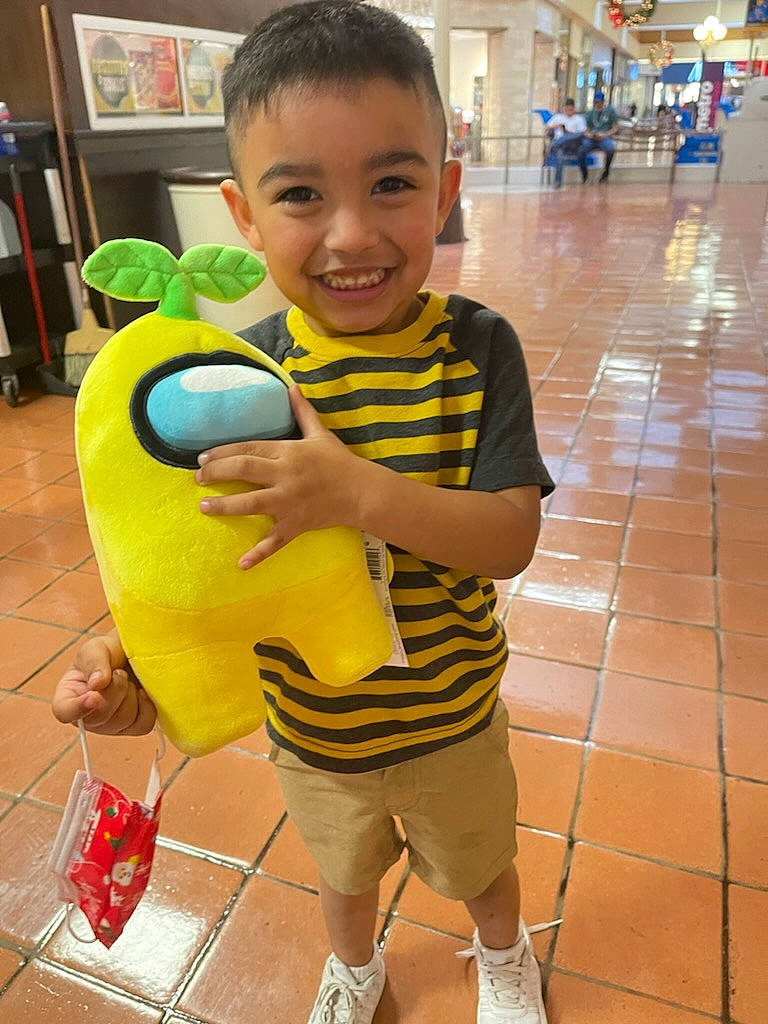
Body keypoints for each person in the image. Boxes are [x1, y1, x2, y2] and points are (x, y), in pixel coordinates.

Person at [51, 3, 555, 1022]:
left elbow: (509, 536)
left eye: (393, 184)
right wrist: (132, 669)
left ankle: (502, 955)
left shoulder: (478, 349)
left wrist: (355, 492)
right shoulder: (233, 378)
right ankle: (356, 969)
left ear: (446, 191)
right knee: (342, 872)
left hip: (453, 718)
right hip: (314, 729)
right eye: (300, 195)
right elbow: (198, 563)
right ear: (243, 215)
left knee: (480, 866)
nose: (352, 234)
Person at [545, 97, 586, 188]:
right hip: (561, 144)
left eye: (570, 109)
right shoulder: (558, 117)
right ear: (564, 108)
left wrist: (568, 132)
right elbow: (547, 127)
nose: (568, 111)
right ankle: (558, 181)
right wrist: (557, 126)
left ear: (574, 108)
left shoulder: (579, 119)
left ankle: (556, 143)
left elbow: (582, 133)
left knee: (574, 137)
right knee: (559, 156)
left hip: (573, 142)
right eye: (566, 109)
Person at [579, 89, 619, 183]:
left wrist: (605, 134)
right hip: (592, 138)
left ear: (603, 101)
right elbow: (586, 129)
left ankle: (606, 172)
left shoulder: (610, 111)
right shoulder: (590, 114)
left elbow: (616, 128)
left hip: (605, 137)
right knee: (581, 150)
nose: (598, 104)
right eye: (596, 102)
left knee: (610, 149)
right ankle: (585, 175)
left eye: (600, 102)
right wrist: (590, 135)